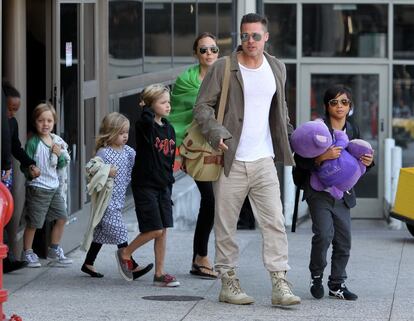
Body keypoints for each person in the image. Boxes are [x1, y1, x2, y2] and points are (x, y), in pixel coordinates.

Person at [193, 13, 300, 306]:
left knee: (274, 223)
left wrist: (289, 135)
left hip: (264, 159)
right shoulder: (225, 67)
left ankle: (280, 283)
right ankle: (228, 282)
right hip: (231, 159)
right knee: (226, 225)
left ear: (266, 37)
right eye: (244, 36)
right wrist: (217, 133)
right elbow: (202, 106)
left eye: (255, 35)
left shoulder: (277, 66)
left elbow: (281, 108)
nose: (249, 41)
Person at [294, 85, 374, 300]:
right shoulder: (317, 128)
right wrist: (321, 158)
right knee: (324, 235)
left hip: (344, 193)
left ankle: (337, 284)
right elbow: (299, 158)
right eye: (334, 102)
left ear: (350, 107)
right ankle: (317, 276)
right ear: (327, 106)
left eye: (344, 102)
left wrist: (369, 161)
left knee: (344, 240)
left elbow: (359, 156)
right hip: (318, 191)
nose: (340, 106)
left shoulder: (353, 128)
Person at [115, 84, 179, 287]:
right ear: (151, 105)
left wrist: (169, 181)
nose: (168, 106)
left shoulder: (168, 128)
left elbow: (168, 158)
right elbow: (145, 121)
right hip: (146, 185)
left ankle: (159, 273)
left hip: (164, 185)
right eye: (163, 102)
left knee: (163, 229)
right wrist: (146, 108)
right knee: (155, 229)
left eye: (169, 102)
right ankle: (125, 252)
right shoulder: (145, 125)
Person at [169, 32, 219, 279]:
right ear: (195, 54)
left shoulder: (226, 77)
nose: (209, 54)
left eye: (213, 49)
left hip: (221, 146)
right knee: (209, 199)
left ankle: (200, 258)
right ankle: (201, 257)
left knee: (217, 202)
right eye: (203, 50)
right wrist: (179, 154)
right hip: (195, 148)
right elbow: (176, 116)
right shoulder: (185, 81)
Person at [81, 112, 153, 279]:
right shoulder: (104, 153)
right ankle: (131, 264)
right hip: (106, 201)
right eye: (121, 133)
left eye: (126, 132)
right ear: (110, 133)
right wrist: (107, 171)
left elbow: (140, 164)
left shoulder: (128, 151)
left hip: (119, 199)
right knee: (120, 231)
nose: (125, 136)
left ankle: (88, 263)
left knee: (99, 234)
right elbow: (91, 168)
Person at [21, 103, 72, 268]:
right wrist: (30, 169)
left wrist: (59, 155)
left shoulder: (55, 141)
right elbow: (25, 164)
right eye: (41, 120)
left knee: (62, 217)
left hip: (54, 186)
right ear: (35, 122)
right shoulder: (33, 143)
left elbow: (61, 164)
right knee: (35, 222)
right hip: (38, 188)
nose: (45, 124)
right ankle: (27, 252)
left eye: (49, 120)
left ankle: (54, 249)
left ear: (54, 122)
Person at [1, 81, 41, 273]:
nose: (12, 113)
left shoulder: (12, 122)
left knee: (5, 216)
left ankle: (6, 259)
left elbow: (16, 147)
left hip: (5, 176)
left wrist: (30, 163)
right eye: (9, 108)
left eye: (15, 109)